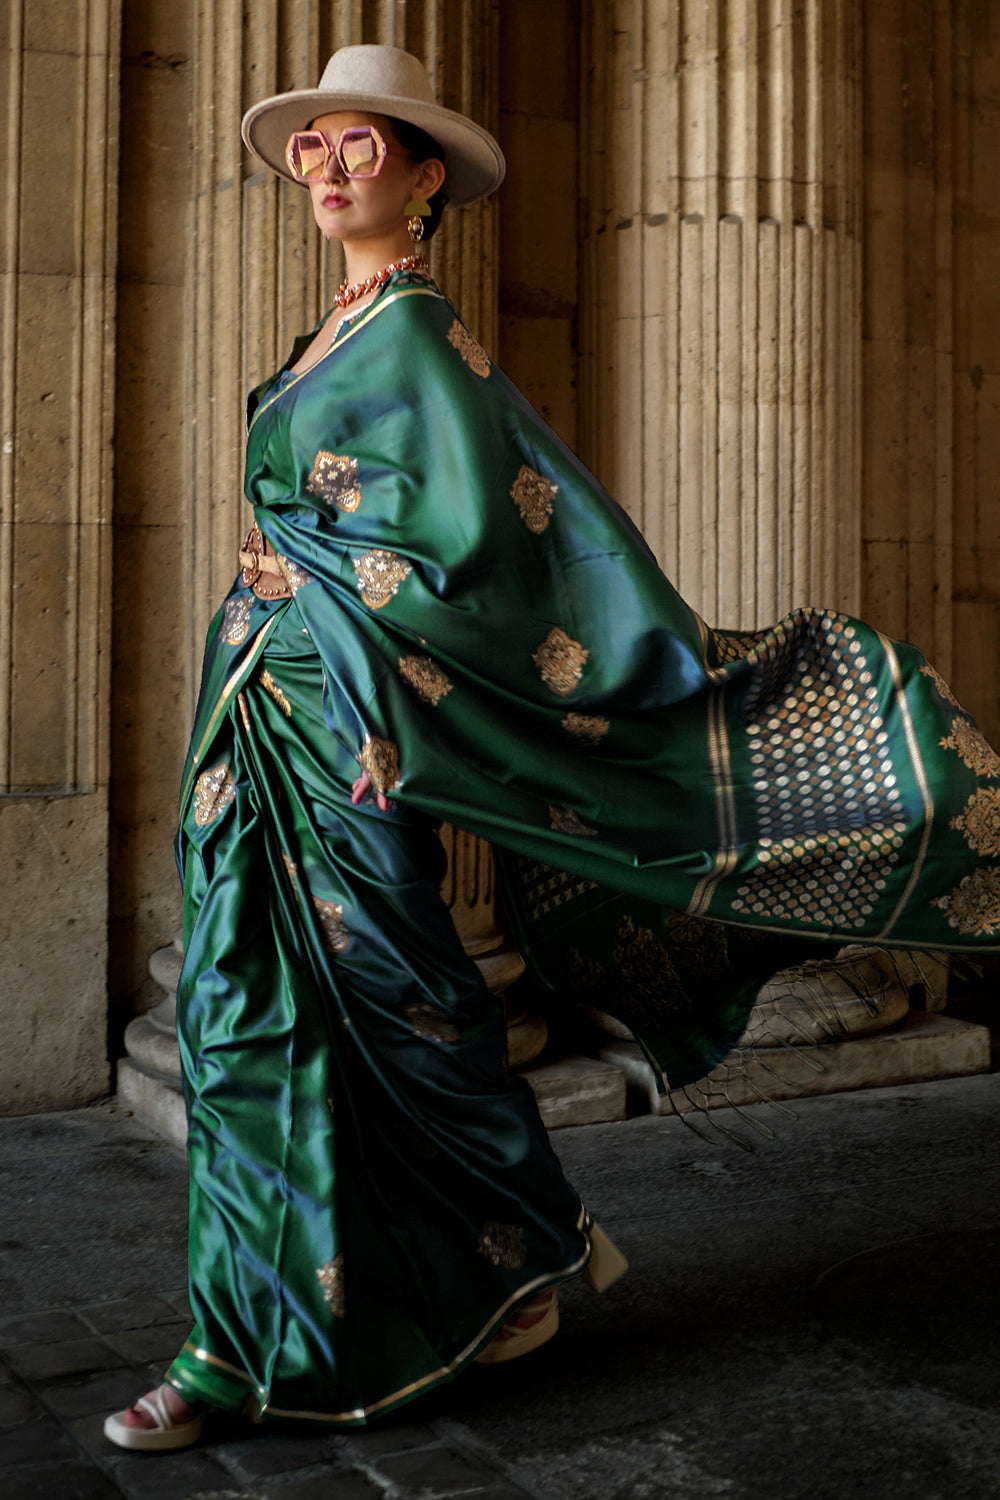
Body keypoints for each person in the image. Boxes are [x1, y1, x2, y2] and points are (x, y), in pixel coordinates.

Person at [105, 44, 1000, 1450]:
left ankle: (251, 1344)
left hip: (351, 732)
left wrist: (329, 607)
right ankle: (506, 1252)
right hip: (258, 729)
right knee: (259, 1006)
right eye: (314, 147)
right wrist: (278, 572)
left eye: (363, 146)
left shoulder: (413, 336)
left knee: (358, 1007)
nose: (330, 167)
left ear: (425, 174)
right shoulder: (322, 340)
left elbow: (482, 554)